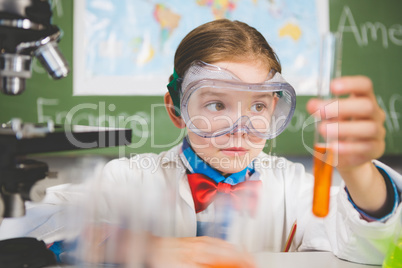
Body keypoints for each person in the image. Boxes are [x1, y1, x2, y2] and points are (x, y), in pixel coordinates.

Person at [0, 19, 400, 267]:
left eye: (258, 105)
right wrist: (130, 244)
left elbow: (370, 249)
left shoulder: (295, 187)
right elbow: (30, 224)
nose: (239, 127)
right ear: (177, 109)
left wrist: (359, 171)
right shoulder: (127, 179)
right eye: (216, 103)